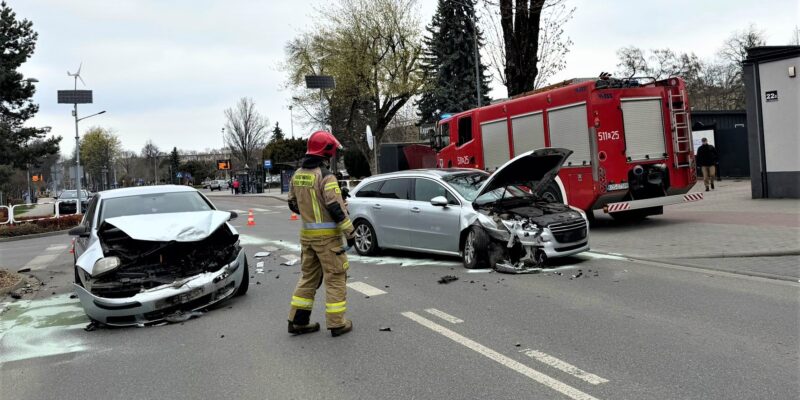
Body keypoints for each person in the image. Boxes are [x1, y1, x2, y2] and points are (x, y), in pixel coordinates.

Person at [287, 130, 356, 337]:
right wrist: (350, 233)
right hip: (328, 241)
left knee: (308, 278)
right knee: (335, 278)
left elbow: (293, 204)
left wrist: (311, 210)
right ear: (326, 152)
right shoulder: (326, 177)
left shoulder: (297, 175)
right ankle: (337, 323)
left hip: (307, 238)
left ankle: (297, 322)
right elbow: (336, 208)